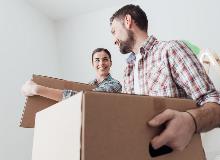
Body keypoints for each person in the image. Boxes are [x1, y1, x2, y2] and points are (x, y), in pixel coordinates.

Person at [110, 4, 220, 151]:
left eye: (114, 31)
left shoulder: (170, 50)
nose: (113, 40)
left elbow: (214, 102)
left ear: (128, 21)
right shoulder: (127, 72)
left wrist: (192, 120)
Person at [21, 48, 122, 101]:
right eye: (97, 60)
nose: (101, 63)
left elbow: (86, 98)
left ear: (110, 63)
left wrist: (37, 89)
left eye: (105, 59)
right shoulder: (89, 84)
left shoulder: (115, 85)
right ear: (92, 64)